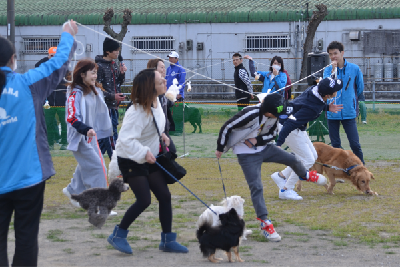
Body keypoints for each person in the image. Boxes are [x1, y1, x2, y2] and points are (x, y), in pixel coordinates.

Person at [0, 20, 77, 267]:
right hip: (28, 177)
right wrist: (67, 34)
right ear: (13, 59)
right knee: (26, 240)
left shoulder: (26, 83)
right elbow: (57, 63)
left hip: (20, 179)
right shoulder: (27, 83)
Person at [215, 93, 322, 241]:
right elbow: (227, 126)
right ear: (270, 112)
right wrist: (220, 147)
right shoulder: (250, 114)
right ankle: (265, 223)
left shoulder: (275, 117)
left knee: (292, 159)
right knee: (257, 187)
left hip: (264, 148)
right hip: (246, 154)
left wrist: (256, 140)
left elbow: (272, 135)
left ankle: (304, 174)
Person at [108, 69, 188, 254]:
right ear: (150, 88)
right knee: (144, 200)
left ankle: (168, 240)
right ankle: (118, 235)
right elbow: (126, 140)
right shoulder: (136, 111)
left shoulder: (157, 103)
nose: (165, 82)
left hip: (148, 156)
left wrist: (162, 136)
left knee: (165, 196)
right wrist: (144, 152)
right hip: (130, 158)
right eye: (161, 81)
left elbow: (152, 127)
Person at [270, 77, 343, 200]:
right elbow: (290, 124)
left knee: (312, 156)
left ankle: (281, 176)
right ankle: (286, 190)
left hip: (296, 127)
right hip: (289, 128)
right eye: (335, 90)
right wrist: (279, 143)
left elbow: (310, 104)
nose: (337, 92)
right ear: (328, 95)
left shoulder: (315, 89)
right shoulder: (313, 107)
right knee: (308, 160)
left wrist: (326, 107)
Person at [62, 59, 115, 215]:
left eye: (96, 72)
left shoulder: (93, 90)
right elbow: (72, 117)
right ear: (82, 74)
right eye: (93, 72)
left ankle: (73, 190)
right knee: (98, 168)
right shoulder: (75, 92)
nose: (95, 75)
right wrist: (86, 130)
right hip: (79, 138)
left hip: (89, 136)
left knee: (87, 166)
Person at [323, 41, 365, 164]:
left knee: (354, 143)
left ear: (342, 53)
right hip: (332, 112)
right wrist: (333, 70)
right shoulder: (327, 70)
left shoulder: (354, 69)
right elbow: (326, 86)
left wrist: (351, 100)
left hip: (349, 111)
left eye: (335, 53)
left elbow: (360, 87)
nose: (333, 56)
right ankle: (340, 169)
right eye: (330, 54)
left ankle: (361, 167)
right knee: (335, 145)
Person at [95, 37, 127, 160]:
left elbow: (118, 83)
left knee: (106, 137)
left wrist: (122, 73)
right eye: (115, 50)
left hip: (114, 105)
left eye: (118, 50)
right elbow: (97, 90)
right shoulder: (99, 67)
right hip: (104, 107)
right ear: (107, 51)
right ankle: (115, 160)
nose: (117, 53)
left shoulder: (114, 65)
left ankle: (97, 159)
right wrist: (113, 96)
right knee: (111, 134)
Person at [35, 47, 68, 150]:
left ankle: (64, 142)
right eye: (51, 56)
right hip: (48, 100)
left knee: (64, 122)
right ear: (48, 56)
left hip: (62, 100)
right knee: (48, 122)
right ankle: (50, 142)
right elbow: (37, 66)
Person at [147, 58, 176, 153]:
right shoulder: (153, 89)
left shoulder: (161, 87)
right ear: (154, 69)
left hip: (164, 129)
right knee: (169, 153)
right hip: (156, 131)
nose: (164, 70)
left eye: (164, 67)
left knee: (171, 152)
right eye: (162, 67)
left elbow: (166, 103)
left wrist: (172, 98)